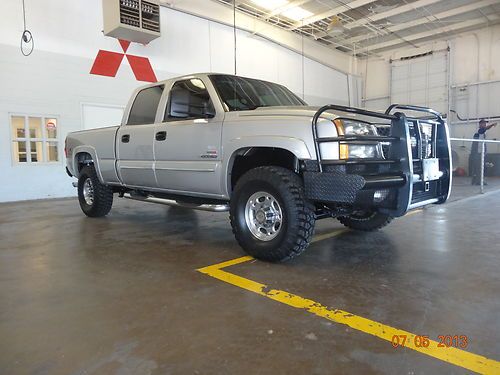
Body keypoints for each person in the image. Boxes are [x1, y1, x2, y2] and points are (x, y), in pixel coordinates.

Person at [469, 119, 497, 185]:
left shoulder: (482, 133)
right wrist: (492, 125)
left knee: (478, 167)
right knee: (478, 167)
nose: (485, 125)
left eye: (485, 123)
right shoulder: (479, 131)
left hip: (480, 152)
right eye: (484, 123)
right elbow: (485, 129)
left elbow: (482, 143)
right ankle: (478, 181)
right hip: (478, 153)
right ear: (480, 124)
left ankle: (475, 181)